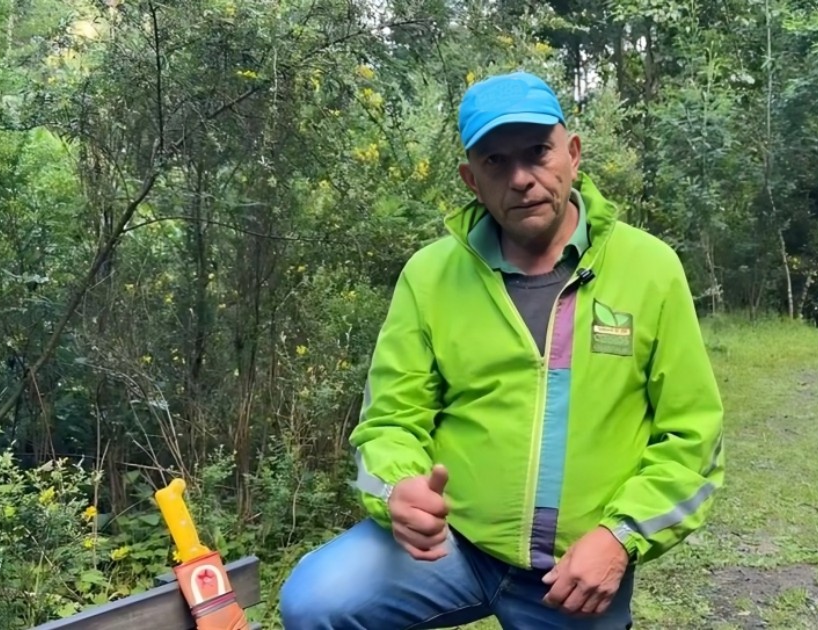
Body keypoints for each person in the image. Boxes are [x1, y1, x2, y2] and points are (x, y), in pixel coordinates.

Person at [278, 69, 725, 630]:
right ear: (471, 179)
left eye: (538, 152)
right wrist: (397, 487)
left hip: (571, 575)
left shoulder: (649, 269)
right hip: (451, 547)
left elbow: (693, 437)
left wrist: (620, 537)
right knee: (317, 602)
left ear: (574, 154)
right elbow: (388, 421)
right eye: (496, 162)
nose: (521, 178)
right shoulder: (431, 275)